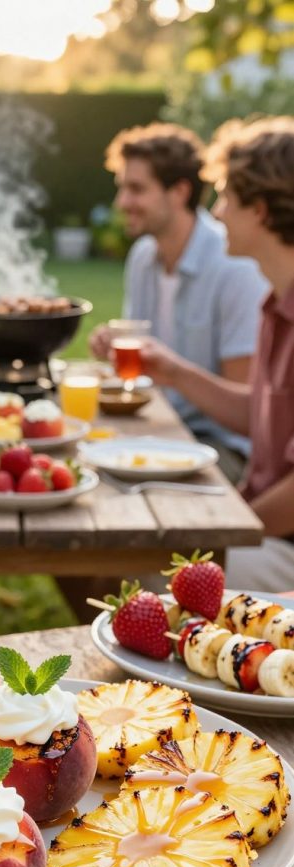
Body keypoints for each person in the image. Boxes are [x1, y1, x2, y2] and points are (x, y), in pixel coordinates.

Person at [138, 116, 294, 590]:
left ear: (261, 210)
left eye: (226, 198)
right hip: (264, 528)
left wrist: (224, 527)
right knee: (131, 544)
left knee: (141, 571)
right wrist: (177, 372)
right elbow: (262, 417)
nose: (218, 213)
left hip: (284, 548)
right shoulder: (274, 304)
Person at [90, 122, 268, 483]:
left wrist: (173, 372)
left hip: (219, 448)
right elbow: (139, 366)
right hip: (158, 430)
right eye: (122, 188)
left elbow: (246, 411)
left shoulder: (234, 267)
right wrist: (116, 348)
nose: (122, 202)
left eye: (136, 189)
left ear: (179, 192)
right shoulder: (143, 257)